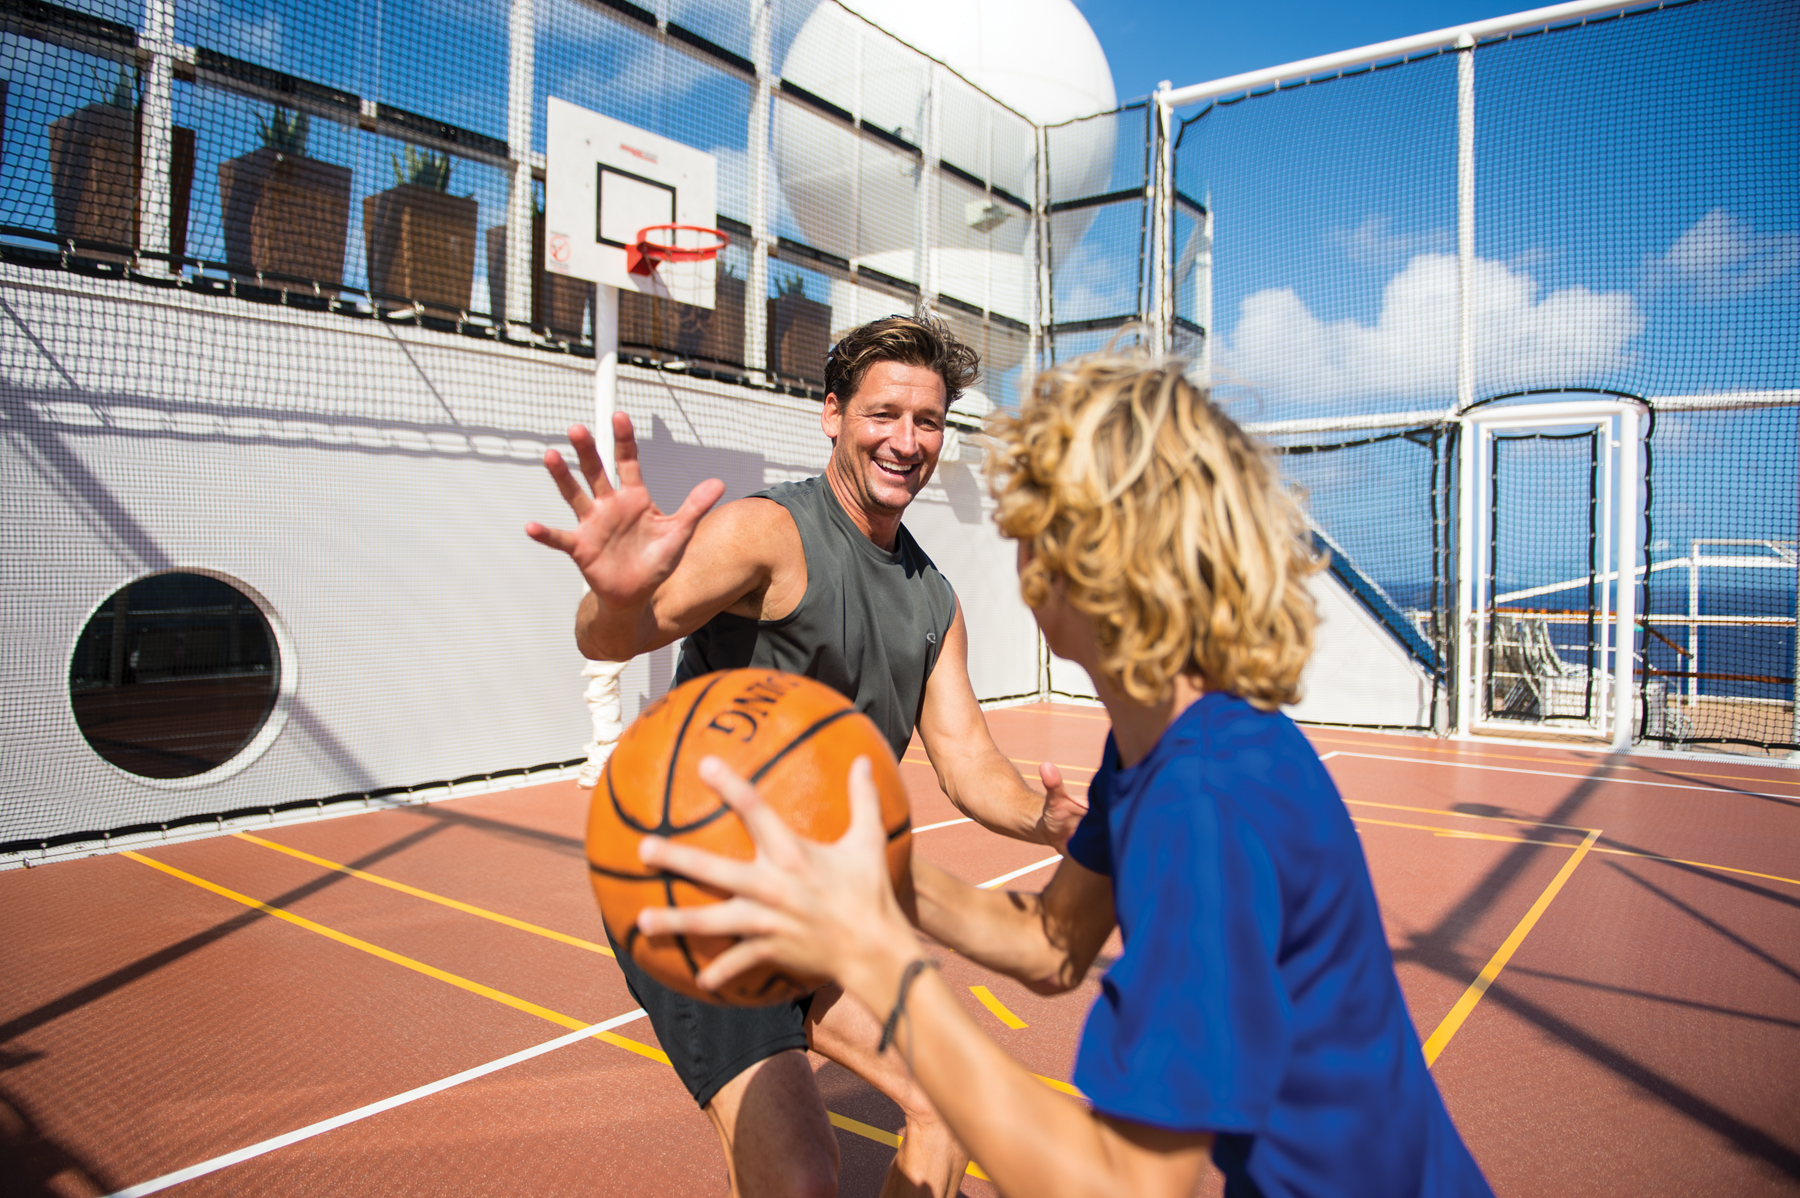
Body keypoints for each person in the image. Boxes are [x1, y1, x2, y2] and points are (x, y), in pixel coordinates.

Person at [635, 351, 1498, 1197]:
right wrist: (875, 881)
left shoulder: (1206, 809)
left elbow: (1127, 1184)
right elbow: (1051, 945)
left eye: (1031, 528)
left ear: (1083, 558)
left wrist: (887, 967)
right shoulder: (1167, 748)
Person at [525, 315, 1083, 1198]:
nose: (906, 441)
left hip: (811, 894)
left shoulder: (932, 598)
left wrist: (1047, 821)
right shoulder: (768, 533)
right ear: (832, 414)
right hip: (694, 887)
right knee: (801, 1174)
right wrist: (615, 599)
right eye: (883, 414)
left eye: (928, 421)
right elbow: (622, 632)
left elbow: (969, 760)